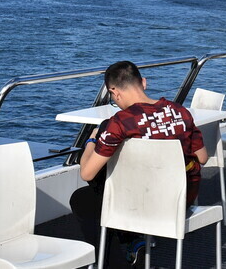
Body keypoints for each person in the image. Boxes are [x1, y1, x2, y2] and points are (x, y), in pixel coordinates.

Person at [69, 61, 207, 267]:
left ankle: (115, 259)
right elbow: (202, 158)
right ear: (144, 82)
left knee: (84, 198)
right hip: (180, 199)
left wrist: (92, 139)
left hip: (140, 201)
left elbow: (87, 173)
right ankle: (133, 241)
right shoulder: (180, 112)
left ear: (113, 92)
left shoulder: (121, 122)